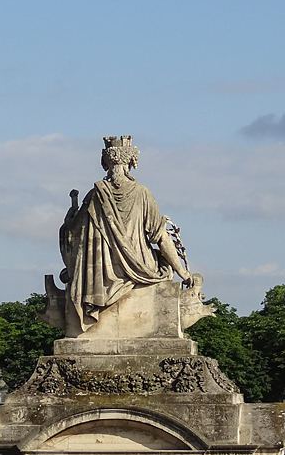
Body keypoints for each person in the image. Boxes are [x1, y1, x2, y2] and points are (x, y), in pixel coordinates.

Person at [59, 136, 195, 332]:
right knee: (165, 268)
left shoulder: (95, 195)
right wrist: (183, 272)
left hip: (99, 278)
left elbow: (72, 237)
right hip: (140, 267)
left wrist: (68, 219)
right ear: (132, 162)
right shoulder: (141, 193)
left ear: (105, 163)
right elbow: (161, 238)